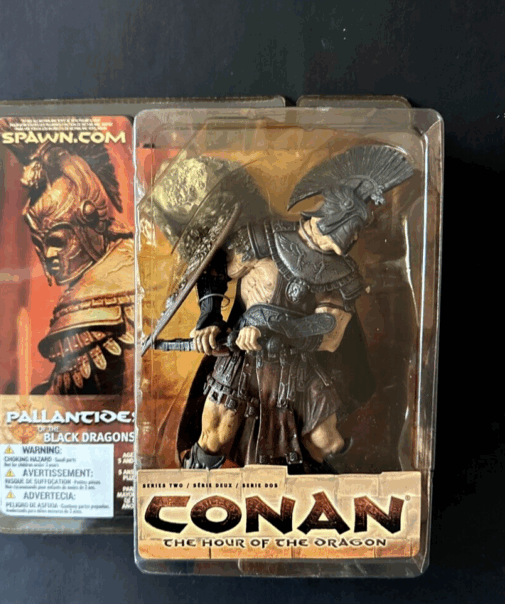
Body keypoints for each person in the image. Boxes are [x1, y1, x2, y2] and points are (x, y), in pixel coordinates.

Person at [177, 145, 413, 472]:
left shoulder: (343, 273)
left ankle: (335, 486)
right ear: (327, 214)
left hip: (297, 363)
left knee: (325, 440)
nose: (347, 242)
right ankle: (191, 483)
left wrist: (274, 330)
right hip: (242, 357)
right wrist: (210, 317)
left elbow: (329, 333)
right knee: (216, 432)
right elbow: (214, 269)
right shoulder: (263, 238)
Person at [19, 143, 134, 396]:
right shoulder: (126, 259)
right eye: (42, 246)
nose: (49, 255)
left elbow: (70, 399)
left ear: (87, 225)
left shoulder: (97, 300)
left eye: (57, 241)